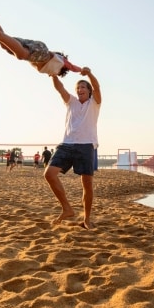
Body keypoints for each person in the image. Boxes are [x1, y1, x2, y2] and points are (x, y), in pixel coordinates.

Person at [44, 68, 101, 229]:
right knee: (49, 174)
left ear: (89, 91)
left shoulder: (94, 103)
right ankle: (67, 208)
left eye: (83, 87)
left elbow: (97, 87)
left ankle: (87, 219)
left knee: (87, 184)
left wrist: (89, 74)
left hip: (86, 145)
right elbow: (60, 88)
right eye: (78, 88)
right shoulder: (71, 102)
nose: (80, 89)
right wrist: (53, 75)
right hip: (67, 144)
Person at [0, 0, 81, 77]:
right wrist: (81, 71)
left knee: (5, 44)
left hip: (37, 47)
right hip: (41, 51)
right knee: (21, 55)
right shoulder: (60, 64)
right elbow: (71, 66)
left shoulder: (52, 71)